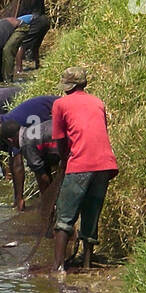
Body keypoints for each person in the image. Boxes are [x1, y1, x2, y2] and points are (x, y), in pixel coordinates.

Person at [50, 66, 118, 274]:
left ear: (68, 86)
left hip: (81, 163)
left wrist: (63, 163)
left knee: (64, 217)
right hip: (105, 165)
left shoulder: (60, 104)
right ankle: (87, 264)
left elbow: (61, 141)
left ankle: (58, 267)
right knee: (92, 211)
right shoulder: (98, 102)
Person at [0, 94, 57, 180]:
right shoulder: (6, 128)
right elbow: (13, 161)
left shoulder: (12, 125)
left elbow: (18, 165)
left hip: (58, 111)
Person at [1, 12, 51, 80]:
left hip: (36, 21)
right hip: (45, 21)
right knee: (36, 44)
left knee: (22, 44)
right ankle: (37, 65)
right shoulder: (15, 21)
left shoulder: (12, 26)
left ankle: (19, 69)